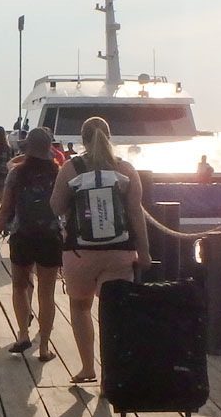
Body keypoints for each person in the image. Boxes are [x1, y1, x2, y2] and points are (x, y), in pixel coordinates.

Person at [50, 116, 152, 385]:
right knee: (113, 311)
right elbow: (135, 214)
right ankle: (111, 373)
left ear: (82, 140)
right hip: (120, 251)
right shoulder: (126, 169)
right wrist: (145, 252)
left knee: (81, 307)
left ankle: (87, 368)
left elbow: (56, 207)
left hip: (80, 252)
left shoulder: (71, 168)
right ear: (110, 136)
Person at [0, 127, 63, 360]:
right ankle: (43, 347)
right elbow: (63, 208)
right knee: (46, 293)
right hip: (50, 235)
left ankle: (22, 334)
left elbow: (6, 208)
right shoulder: (58, 172)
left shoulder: (17, 173)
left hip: (22, 234)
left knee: (19, 286)